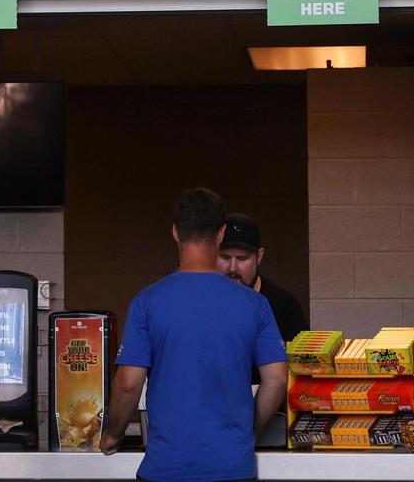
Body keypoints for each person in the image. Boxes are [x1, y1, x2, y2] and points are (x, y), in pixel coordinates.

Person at [101, 188, 288, 482]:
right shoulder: (255, 304)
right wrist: (247, 434)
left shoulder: (147, 301)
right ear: (221, 233)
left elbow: (128, 384)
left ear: (175, 232)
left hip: (165, 469)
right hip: (233, 467)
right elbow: (276, 378)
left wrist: (112, 435)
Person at [216, 212, 309, 343]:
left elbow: (302, 361)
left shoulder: (284, 306)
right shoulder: (203, 302)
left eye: (242, 258)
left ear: (259, 257)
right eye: (225, 257)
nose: (232, 268)